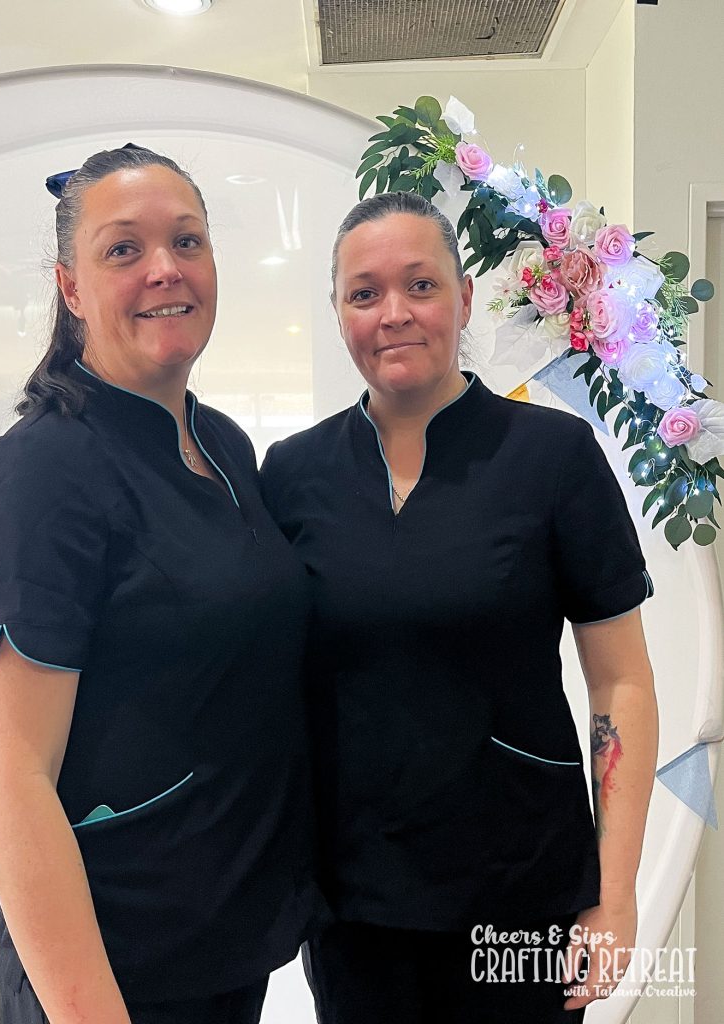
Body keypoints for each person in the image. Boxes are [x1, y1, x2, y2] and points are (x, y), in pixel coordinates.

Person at [0, 144, 327, 1024]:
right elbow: (8, 778)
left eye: (187, 241)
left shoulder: (221, 443)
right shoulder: (36, 475)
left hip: (227, 941)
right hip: (114, 970)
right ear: (71, 288)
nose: (165, 268)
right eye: (123, 249)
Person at [259, 191, 658, 1023]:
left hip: (521, 897)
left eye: (420, 285)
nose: (393, 313)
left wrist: (614, 895)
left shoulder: (551, 457)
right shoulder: (292, 474)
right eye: (363, 293)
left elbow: (620, 683)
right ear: (338, 313)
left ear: (465, 298)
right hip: (352, 910)